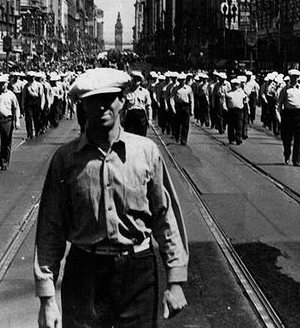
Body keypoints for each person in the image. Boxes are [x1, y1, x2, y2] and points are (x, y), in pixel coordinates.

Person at [34, 67, 188, 328]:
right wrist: (47, 299)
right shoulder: (66, 159)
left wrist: (175, 281)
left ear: (123, 100)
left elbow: (164, 216)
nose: (102, 105)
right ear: (83, 104)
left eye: (110, 97)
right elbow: (50, 228)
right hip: (84, 273)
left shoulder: (146, 152)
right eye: (94, 99)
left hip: (137, 273)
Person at [277, 69, 300, 166]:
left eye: (296, 77)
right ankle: (287, 154)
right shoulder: (285, 90)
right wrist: (279, 117)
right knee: (287, 138)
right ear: (290, 78)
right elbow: (279, 104)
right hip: (288, 115)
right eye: (292, 77)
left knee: (298, 138)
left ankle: (296, 160)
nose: (294, 79)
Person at [123, 70, 153, 137]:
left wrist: (150, 119)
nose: (137, 80)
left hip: (141, 116)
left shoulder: (145, 92)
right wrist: (122, 119)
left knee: (141, 137)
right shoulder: (127, 92)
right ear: (132, 79)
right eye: (135, 78)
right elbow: (123, 107)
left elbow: (149, 106)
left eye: (139, 79)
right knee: (129, 137)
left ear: (141, 81)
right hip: (130, 115)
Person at [223, 77, 247, 145]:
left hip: (239, 110)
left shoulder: (241, 92)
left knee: (239, 125)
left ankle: (238, 138)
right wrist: (225, 107)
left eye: (237, 84)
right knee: (231, 125)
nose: (235, 85)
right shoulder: (229, 92)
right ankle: (231, 138)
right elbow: (225, 100)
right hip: (231, 110)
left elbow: (245, 98)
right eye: (234, 84)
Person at [171, 73, 193, 145]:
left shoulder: (188, 88)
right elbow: (171, 98)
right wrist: (173, 108)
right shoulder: (175, 89)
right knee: (177, 123)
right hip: (178, 106)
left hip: (186, 106)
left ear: (185, 80)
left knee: (185, 124)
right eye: (180, 80)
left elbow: (191, 100)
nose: (182, 81)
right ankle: (177, 136)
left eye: (183, 80)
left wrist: (192, 110)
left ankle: (184, 140)